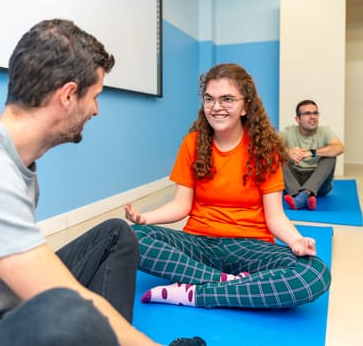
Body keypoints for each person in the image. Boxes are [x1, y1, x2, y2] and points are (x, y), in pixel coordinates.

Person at [0, 19, 205, 346]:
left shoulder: (15, 160)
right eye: (94, 96)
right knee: (69, 312)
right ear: (68, 96)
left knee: (116, 235)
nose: (96, 110)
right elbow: (58, 295)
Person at [124, 63, 331, 309]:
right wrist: (144, 218)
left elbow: (275, 216)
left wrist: (296, 241)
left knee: (315, 274)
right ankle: (230, 284)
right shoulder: (192, 144)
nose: (216, 107)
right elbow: (181, 205)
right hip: (199, 243)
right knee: (131, 237)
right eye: (209, 99)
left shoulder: (265, 149)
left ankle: (196, 293)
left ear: (246, 106)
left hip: (251, 246)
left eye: (227, 99)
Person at [280, 99, 344, 210]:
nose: (313, 117)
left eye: (315, 113)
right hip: (293, 180)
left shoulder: (325, 131)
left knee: (330, 157)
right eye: (307, 114)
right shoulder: (287, 132)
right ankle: (301, 195)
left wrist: (312, 152)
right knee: (277, 157)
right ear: (297, 119)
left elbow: (340, 148)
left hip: (319, 183)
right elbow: (268, 148)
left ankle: (303, 195)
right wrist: (287, 152)